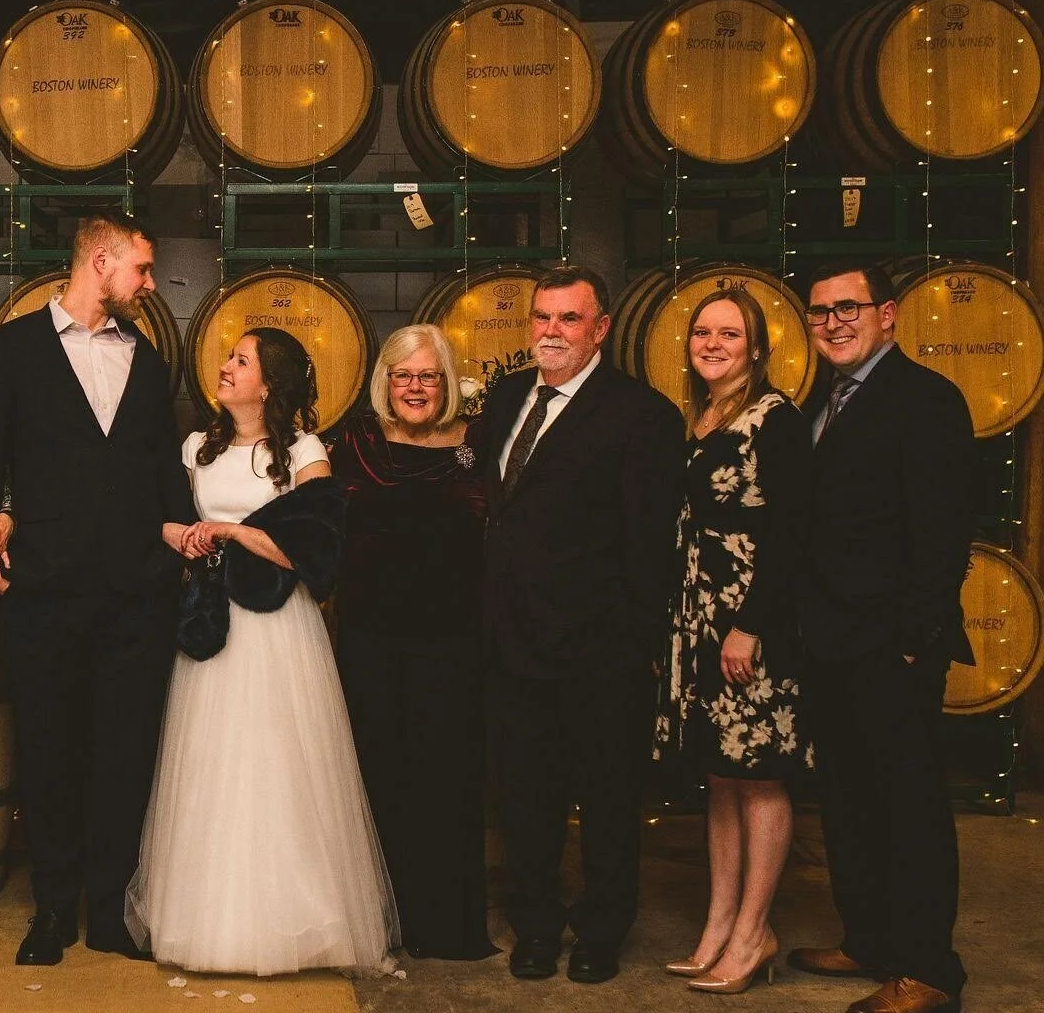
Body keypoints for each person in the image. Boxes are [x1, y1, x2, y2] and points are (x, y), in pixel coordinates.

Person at [126, 329, 398, 975]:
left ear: (269, 384)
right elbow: (156, 520)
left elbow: (313, 551)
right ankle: (205, 921)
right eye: (229, 358)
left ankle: (292, 922)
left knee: (279, 763)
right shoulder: (196, 447)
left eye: (240, 360)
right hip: (210, 624)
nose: (224, 367)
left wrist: (229, 531)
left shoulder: (304, 452)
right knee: (210, 764)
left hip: (277, 630)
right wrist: (182, 536)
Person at [0, 208, 195, 965]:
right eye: (141, 269)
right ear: (101, 262)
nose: (150, 284)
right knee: (48, 753)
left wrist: (179, 547)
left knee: (124, 755)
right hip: (43, 595)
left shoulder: (147, 360)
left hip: (136, 597)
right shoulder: (7, 350)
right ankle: (53, 910)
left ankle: (108, 911)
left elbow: (161, 468)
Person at [477, 264, 683, 985]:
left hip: (599, 650)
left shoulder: (641, 415)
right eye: (542, 317)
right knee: (524, 799)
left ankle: (600, 930)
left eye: (569, 318)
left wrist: (633, 645)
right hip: (512, 644)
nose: (552, 331)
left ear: (601, 329)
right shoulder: (508, 396)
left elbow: (648, 545)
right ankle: (535, 926)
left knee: (606, 802)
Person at [787, 261, 976, 1013]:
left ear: (887, 314)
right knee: (847, 799)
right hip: (831, 639)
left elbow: (942, 532)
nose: (833, 323)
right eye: (819, 312)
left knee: (908, 808)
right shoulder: (825, 398)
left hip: (890, 647)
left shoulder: (926, 399)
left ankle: (929, 971)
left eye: (848, 308)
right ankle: (867, 939)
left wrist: (912, 639)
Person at [654, 288, 811, 994]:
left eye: (728, 333)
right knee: (721, 776)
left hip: (750, 620)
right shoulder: (700, 415)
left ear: (755, 348)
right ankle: (719, 925)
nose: (711, 344)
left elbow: (791, 534)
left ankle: (754, 934)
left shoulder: (774, 419)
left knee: (760, 774)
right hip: (700, 616)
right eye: (701, 332)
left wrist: (750, 626)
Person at [329, 323, 494, 961]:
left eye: (427, 375)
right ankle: (383, 921)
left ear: (446, 381)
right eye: (403, 376)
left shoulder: (478, 441)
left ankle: (444, 924)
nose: (415, 387)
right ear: (386, 381)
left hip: (452, 640)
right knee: (379, 772)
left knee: (446, 777)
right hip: (371, 638)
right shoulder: (357, 441)